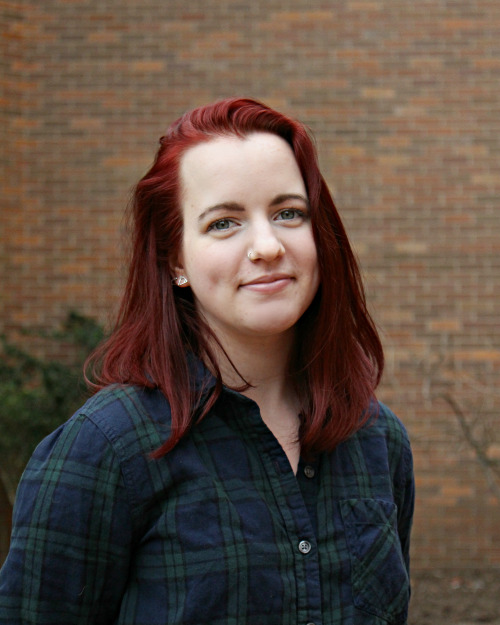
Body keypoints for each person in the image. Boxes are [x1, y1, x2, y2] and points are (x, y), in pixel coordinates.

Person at [0, 97, 414, 625]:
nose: (267, 245)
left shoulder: (379, 441)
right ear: (176, 259)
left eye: (289, 213)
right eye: (224, 223)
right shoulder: (104, 453)